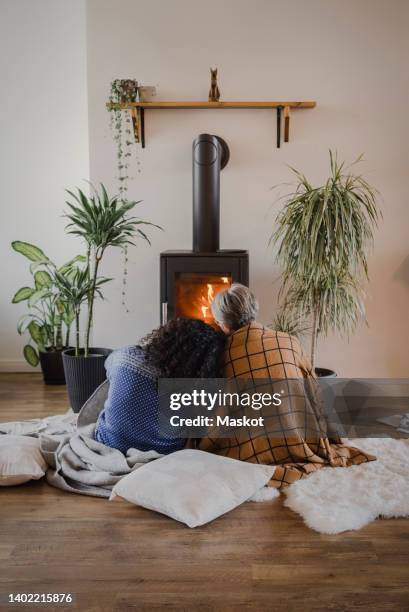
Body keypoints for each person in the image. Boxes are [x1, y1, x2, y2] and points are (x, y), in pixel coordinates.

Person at [199, 283, 375, 487]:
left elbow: (220, 411)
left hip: (251, 446)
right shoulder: (290, 341)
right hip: (300, 436)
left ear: (223, 323)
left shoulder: (220, 356)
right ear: (253, 310)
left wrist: (201, 443)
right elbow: (315, 393)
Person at [95, 318, 225, 455]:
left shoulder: (126, 357)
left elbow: (108, 366)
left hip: (110, 442)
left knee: (113, 384)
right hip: (163, 454)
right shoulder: (194, 392)